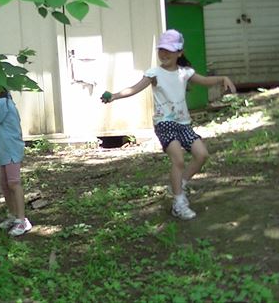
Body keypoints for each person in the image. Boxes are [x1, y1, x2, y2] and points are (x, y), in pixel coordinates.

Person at [101, 29, 236, 220]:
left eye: (169, 50)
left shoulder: (184, 73)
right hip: (164, 124)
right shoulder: (154, 73)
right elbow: (134, 88)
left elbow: (205, 81)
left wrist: (223, 78)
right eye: (161, 50)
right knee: (178, 160)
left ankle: (179, 184)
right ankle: (179, 203)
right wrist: (114, 96)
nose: (164, 54)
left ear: (179, 52)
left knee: (202, 155)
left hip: (184, 124)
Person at [0, 90, 32, 236]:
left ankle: (22, 220)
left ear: (0, 89)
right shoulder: (3, 101)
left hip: (10, 148)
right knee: (5, 185)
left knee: (13, 183)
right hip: (5, 149)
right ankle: (13, 216)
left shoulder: (3, 103)